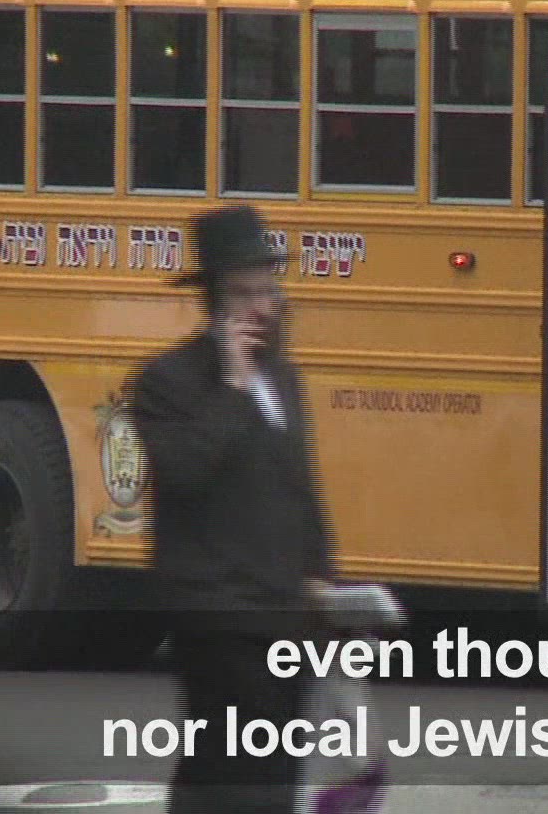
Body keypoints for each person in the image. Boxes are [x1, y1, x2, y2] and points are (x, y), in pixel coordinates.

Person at [127, 205, 336, 814]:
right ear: (214, 303)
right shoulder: (169, 380)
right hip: (217, 611)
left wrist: (325, 578)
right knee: (230, 772)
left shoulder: (283, 377)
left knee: (271, 775)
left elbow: (299, 487)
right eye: (246, 295)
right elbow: (183, 472)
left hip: (283, 612)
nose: (263, 307)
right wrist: (232, 387)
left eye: (269, 291)